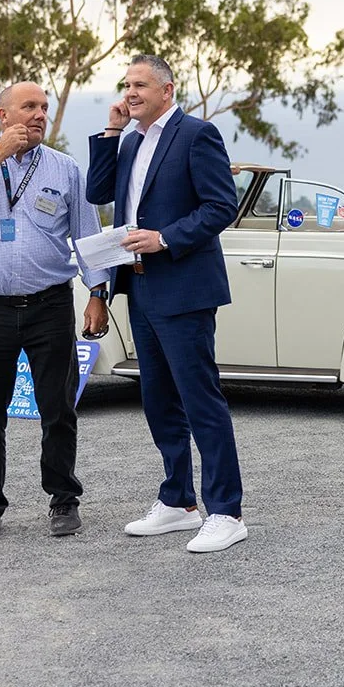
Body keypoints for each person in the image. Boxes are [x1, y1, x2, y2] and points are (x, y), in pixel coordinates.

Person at [86, 54, 248, 553]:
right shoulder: (130, 141)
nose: (130, 92)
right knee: (158, 399)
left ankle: (226, 511)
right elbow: (98, 192)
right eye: (126, 85)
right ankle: (178, 502)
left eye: (140, 85)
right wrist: (111, 133)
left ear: (167, 91)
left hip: (184, 286)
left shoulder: (198, 135)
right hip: (140, 287)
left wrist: (166, 239)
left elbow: (222, 206)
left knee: (200, 400)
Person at [0, 82, 111, 542]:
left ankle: (63, 501)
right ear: (2, 115)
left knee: (58, 409)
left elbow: (87, 235)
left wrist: (98, 293)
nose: (39, 115)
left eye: (44, 108)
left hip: (50, 305)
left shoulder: (64, 168)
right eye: (28, 107)